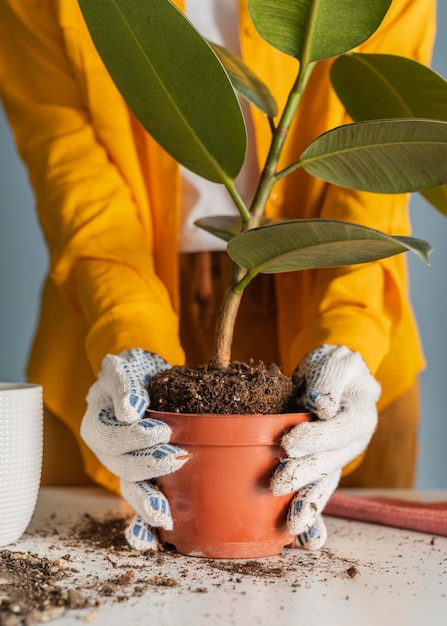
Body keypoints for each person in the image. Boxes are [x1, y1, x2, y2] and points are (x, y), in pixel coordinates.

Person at [0, 0, 436, 551]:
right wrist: (127, 339)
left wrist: (348, 334)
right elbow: (76, 184)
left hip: (333, 294)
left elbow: (372, 182)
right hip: (113, 315)